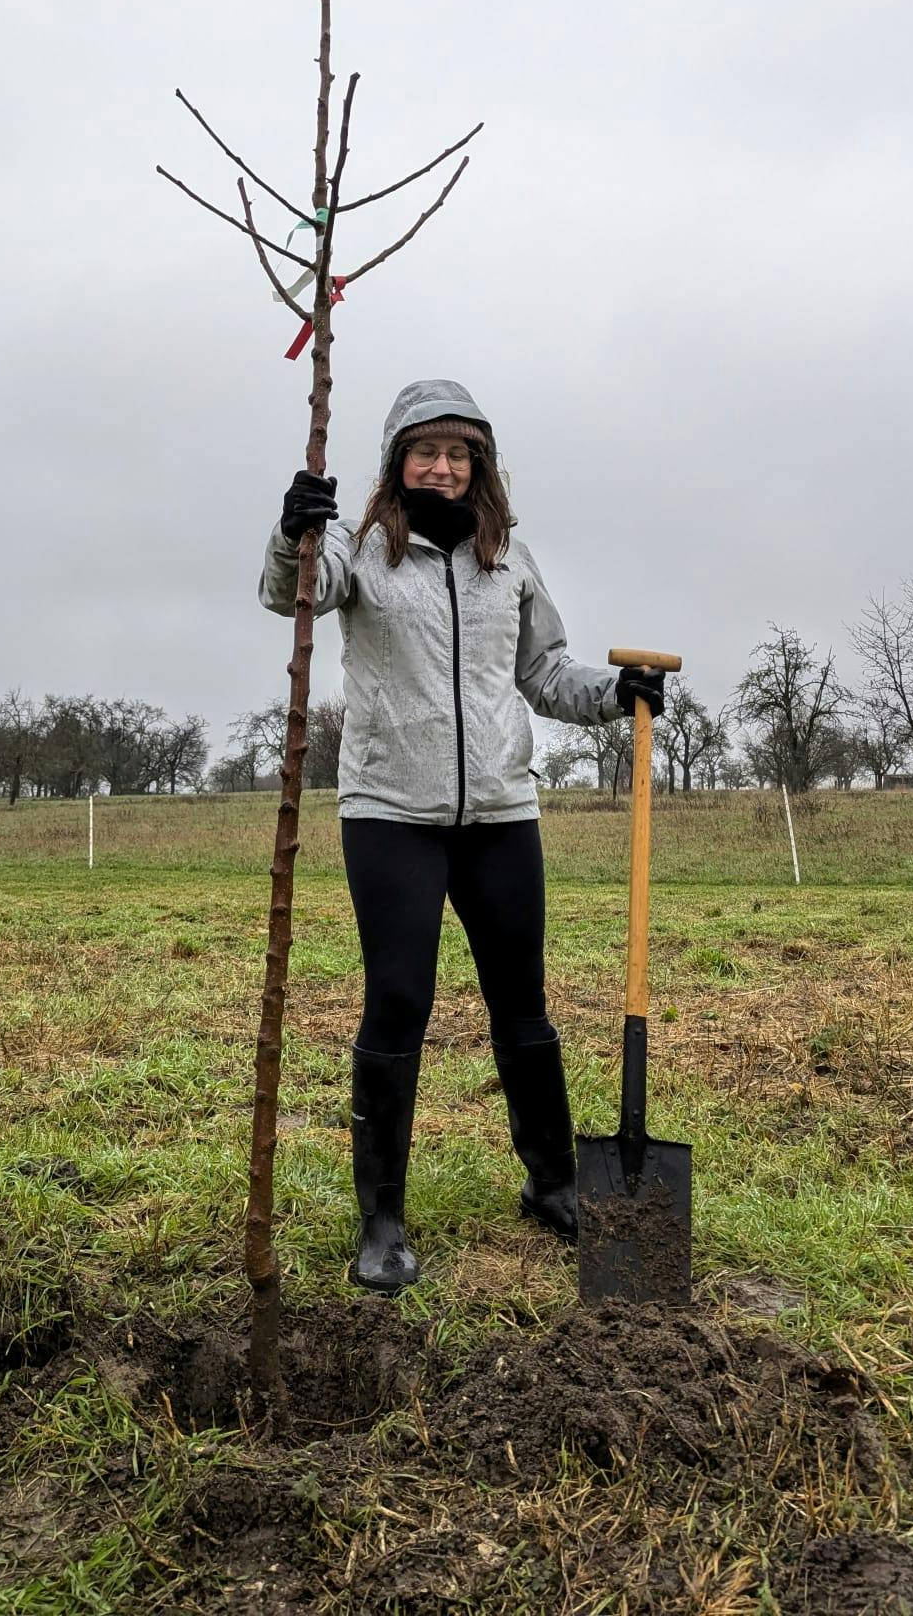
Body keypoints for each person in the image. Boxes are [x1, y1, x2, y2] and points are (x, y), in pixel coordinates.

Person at [259, 378, 663, 1292]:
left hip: (500, 815)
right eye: (425, 450)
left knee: (522, 1002)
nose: (442, 466)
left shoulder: (507, 560)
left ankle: (553, 1183)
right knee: (398, 1002)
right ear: (397, 460)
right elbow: (294, 593)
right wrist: (295, 530)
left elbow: (547, 673)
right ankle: (383, 1220)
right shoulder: (360, 551)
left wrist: (617, 694)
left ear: (480, 464)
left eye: (459, 452)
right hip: (389, 813)